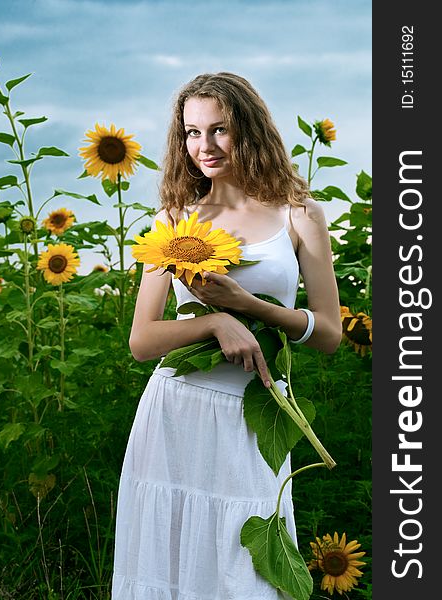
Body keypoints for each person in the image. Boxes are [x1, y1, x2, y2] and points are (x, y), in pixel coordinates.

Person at [112, 72, 342, 600]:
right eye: (192, 133)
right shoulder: (175, 219)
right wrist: (215, 320)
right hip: (177, 409)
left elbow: (328, 333)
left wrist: (247, 306)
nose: (204, 147)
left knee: (248, 571)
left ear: (251, 129)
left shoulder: (300, 215)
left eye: (219, 130)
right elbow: (142, 340)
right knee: (169, 566)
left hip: (255, 414)